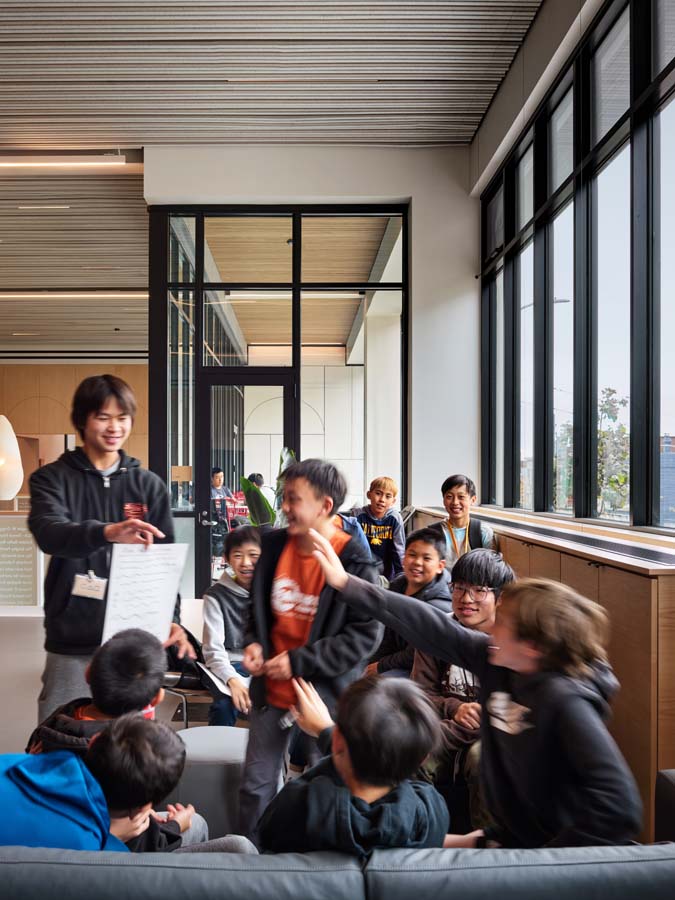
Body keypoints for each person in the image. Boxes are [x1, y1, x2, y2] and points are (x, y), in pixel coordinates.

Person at [308, 530, 643, 849]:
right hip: (508, 836)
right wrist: (346, 584)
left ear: (533, 647)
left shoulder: (565, 701)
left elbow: (618, 806)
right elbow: (432, 625)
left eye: (505, 623)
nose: (493, 627)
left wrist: (547, 858)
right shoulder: (496, 660)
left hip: (544, 857)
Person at [28, 374, 194, 723]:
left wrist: (172, 620)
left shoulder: (148, 485)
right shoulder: (52, 479)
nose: (114, 427)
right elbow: (49, 533)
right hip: (73, 641)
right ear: (82, 420)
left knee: (129, 753)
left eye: (122, 417)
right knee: (61, 738)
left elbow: (164, 563)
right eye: (103, 417)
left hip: (132, 645)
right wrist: (107, 532)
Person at [238, 458, 381, 846]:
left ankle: (317, 864)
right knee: (256, 785)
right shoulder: (270, 545)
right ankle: (253, 860)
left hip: (325, 699)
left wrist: (300, 661)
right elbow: (255, 610)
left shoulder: (352, 559)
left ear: (325, 506)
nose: (284, 507)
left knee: (326, 786)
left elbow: (365, 636)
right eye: (284, 497)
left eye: (293, 499)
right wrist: (253, 643)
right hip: (271, 691)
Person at [26, 628, 207, 852]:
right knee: (198, 823)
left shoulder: (54, 723)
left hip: (58, 833)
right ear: (157, 698)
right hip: (115, 856)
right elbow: (140, 838)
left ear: (88, 673)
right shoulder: (128, 754)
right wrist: (176, 825)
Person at [258, 676, 448, 857]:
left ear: (338, 742)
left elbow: (265, 835)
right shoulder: (431, 812)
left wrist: (328, 733)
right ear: (423, 758)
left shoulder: (297, 806)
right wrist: (329, 734)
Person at [412, 549, 515, 826]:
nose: (466, 599)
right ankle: (421, 838)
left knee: (482, 759)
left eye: (479, 590)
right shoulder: (438, 633)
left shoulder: (512, 641)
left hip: (494, 733)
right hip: (444, 725)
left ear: (500, 597)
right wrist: (454, 708)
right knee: (410, 752)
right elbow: (419, 694)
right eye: (459, 588)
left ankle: (488, 851)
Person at [0, 714, 185, 852]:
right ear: (143, 808)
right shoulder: (94, 852)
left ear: (93, 740)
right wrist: (113, 837)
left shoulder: (15, 761)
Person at [368, 527, 451, 677]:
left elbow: (415, 653)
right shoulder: (397, 586)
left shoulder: (440, 605)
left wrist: (380, 666)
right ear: (403, 558)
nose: (417, 563)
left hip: (419, 671)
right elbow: (386, 635)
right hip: (392, 661)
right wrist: (369, 664)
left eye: (426, 558)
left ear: (440, 566)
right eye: (412, 555)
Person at [201, 525, 261, 726]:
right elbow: (213, 650)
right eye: (237, 555)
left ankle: (297, 757)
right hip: (229, 664)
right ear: (226, 558)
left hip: (266, 665)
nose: (246, 563)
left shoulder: (271, 591)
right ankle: (215, 756)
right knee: (224, 705)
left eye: (253, 555)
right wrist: (232, 680)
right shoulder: (215, 596)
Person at [428, 474, 496, 569]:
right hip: (444, 583)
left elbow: (490, 568)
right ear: (443, 500)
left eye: (461, 497)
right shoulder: (433, 532)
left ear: (473, 500)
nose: (455, 502)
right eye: (449, 496)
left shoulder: (483, 532)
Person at [350, 476, 405, 581]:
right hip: (361, 572)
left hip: (387, 574)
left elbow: (399, 550)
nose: (382, 500)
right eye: (378, 493)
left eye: (388, 496)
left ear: (393, 501)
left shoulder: (395, 518)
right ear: (369, 494)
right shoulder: (357, 515)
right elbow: (351, 546)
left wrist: (401, 577)